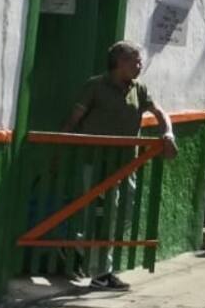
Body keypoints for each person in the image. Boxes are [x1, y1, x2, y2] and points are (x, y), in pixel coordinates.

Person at [62, 41, 176, 291]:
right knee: (94, 212)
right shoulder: (95, 86)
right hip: (94, 160)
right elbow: (75, 118)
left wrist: (168, 133)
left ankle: (80, 248)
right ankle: (101, 271)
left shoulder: (139, 89)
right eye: (136, 61)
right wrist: (60, 149)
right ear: (120, 63)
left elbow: (159, 112)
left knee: (124, 212)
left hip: (125, 163)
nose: (140, 66)